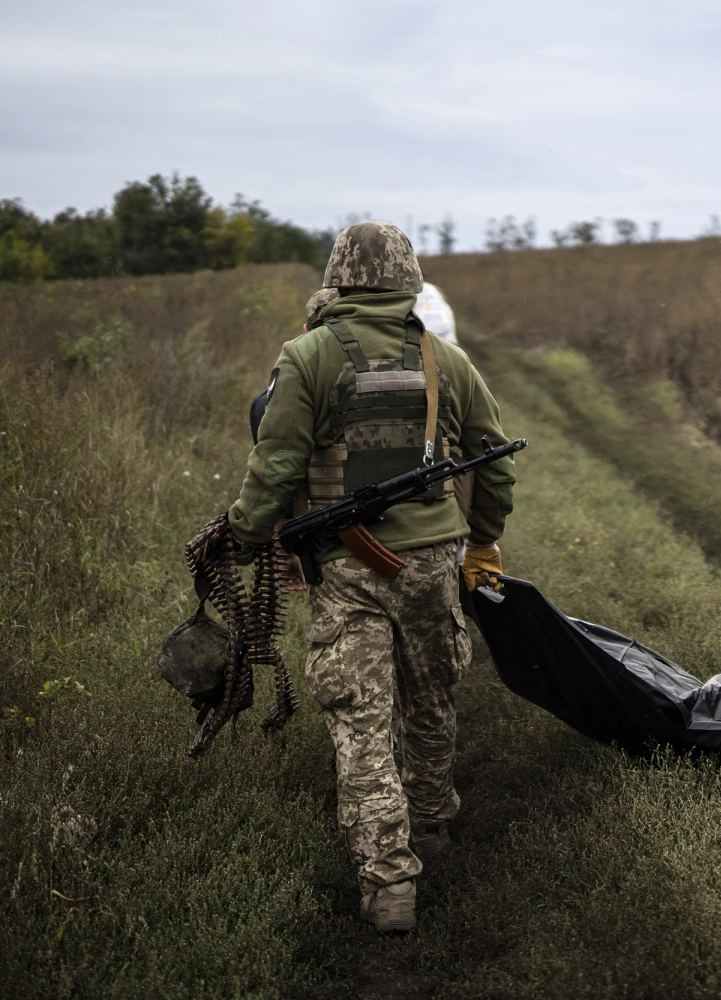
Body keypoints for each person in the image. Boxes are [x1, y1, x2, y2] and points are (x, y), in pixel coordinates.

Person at [227, 222, 517, 930]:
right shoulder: (446, 358)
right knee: (431, 702)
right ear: (407, 281)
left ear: (340, 280)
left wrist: (241, 536)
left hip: (347, 569)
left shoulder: (307, 356)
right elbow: (495, 465)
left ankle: (390, 884)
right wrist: (481, 542)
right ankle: (429, 831)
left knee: (360, 720)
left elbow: (275, 467)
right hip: (432, 567)